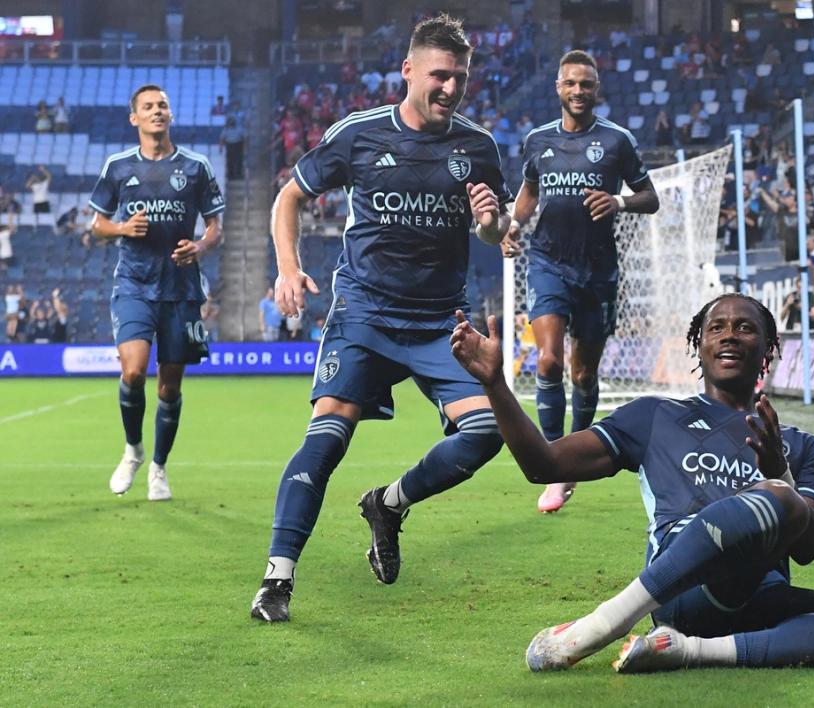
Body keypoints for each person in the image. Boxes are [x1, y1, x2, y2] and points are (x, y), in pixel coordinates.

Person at [450, 295, 814, 673]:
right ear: (700, 345)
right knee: (780, 496)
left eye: (745, 327)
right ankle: (602, 624)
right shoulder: (655, 415)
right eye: (717, 327)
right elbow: (543, 465)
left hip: (760, 595)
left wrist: (780, 471)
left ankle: (688, 652)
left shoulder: (800, 445)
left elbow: (808, 549)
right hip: (683, 592)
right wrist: (495, 385)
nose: (730, 334)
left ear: (769, 346)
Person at [250, 14, 512, 623]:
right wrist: (288, 269)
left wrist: (491, 219)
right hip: (363, 313)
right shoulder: (360, 135)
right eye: (440, 76)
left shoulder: (478, 147)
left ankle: (390, 504)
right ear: (409, 71)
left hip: (439, 322)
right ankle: (276, 579)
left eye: (461, 79)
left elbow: (497, 232)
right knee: (326, 439)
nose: (451, 89)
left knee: (486, 433)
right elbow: (290, 196)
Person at [497, 50, 660, 513]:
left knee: (583, 372)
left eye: (586, 85)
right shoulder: (537, 141)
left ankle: (574, 458)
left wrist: (620, 202)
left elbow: (650, 197)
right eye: (570, 83)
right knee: (547, 361)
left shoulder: (617, 141)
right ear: (558, 87)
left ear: (596, 89)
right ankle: (556, 464)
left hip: (599, 271)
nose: (578, 91)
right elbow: (529, 192)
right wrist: (513, 224)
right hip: (549, 262)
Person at [89, 84, 225, 502]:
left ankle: (159, 468)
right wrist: (122, 228)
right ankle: (133, 450)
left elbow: (216, 228)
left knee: (169, 387)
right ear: (134, 118)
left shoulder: (196, 166)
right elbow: (97, 226)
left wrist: (199, 246)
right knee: (132, 371)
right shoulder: (117, 167)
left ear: (170, 114)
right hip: (133, 282)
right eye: (148, 106)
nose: (157, 111)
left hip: (181, 290)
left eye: (162, 105)